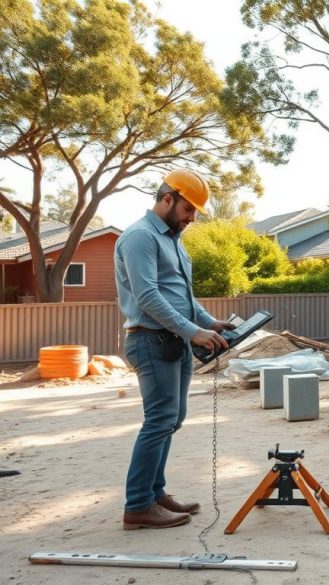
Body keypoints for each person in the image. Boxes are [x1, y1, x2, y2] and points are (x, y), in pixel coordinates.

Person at [115, 169, 233, 530]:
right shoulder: (140, 237)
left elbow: (181, 295)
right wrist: (192, 331)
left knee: (172, 419)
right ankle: (137, 505)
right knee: (159, 421)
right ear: (167, 198)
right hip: (150, 340)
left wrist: (208, 323)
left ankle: (155, 494)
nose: (192, 218)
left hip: (174, 340)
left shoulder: (173, 239)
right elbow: (148, 296)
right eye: (188, 209)